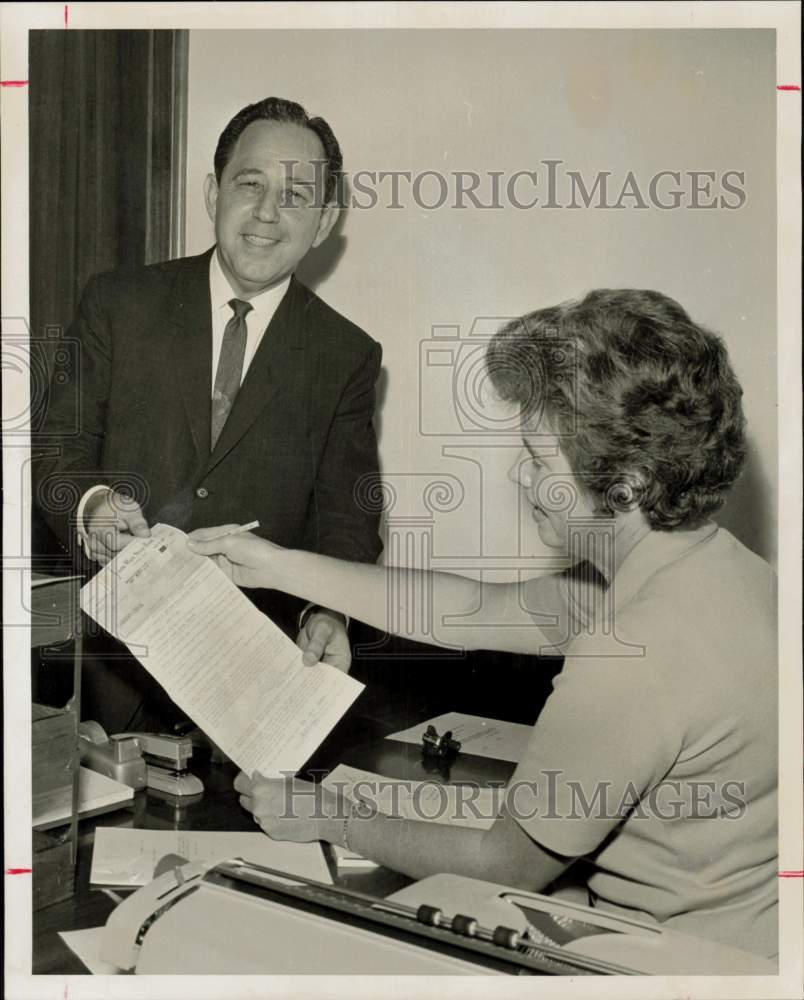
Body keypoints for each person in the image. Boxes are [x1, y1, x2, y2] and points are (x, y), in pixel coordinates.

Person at [189, 289, 777, 961]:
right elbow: (465, 609)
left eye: (539, 460)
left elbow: (506, 864)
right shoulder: (717, 571)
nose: (524, 482)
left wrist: (321, 813)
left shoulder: (633, 651)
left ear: (630, 480)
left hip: (673, 965)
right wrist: (276, 566)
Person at [33, 97, 382, 731]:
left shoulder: (347, 355)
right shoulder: (118, 303)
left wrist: (328, 613)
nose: (268, 213)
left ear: (325, 220)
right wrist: (93, 506)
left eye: (296, 195)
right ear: (212, 191)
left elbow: (347, 517)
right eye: (250, 184)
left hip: (253, 678)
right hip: (102, 664)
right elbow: (56, 449)